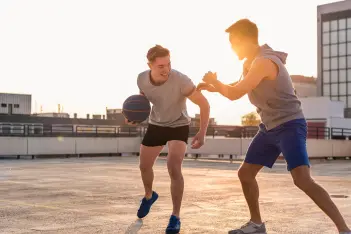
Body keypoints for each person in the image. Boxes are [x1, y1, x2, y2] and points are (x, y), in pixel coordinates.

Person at [197, 19, 351, 234]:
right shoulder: (250, 63)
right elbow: (238, 85)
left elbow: (235, 94)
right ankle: (257, 224)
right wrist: (216, 86)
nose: (231, 48)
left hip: (289, 125)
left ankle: (344, 229)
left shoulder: (264, 62)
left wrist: (218, 83)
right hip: (268, 127)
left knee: (302, 180)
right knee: (246, 174)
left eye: (233, 43)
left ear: (245, 40)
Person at [127, 44, 210, 234]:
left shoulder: (181, 80)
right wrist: (134, 115)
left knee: (174, 167)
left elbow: (204, 104)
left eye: (169, 64)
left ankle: (175, 217)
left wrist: (202, 132)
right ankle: (149, 196)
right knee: (144, 166)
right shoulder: (141, 79)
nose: (166, 69)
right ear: (150, 65)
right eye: (161, 66)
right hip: (156, 124)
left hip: (178, 125)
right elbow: (142, 102)